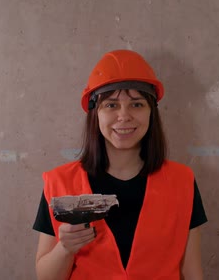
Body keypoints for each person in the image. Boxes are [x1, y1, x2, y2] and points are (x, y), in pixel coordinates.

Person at [32, 49, 207, 280]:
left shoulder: (181, 181)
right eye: (111, 105)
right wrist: (65, 248)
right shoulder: (60, 183)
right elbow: (46, 277)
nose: (124, 116)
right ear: (95, 113)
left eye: (137, 104)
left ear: (151, 112)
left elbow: (192, 272)